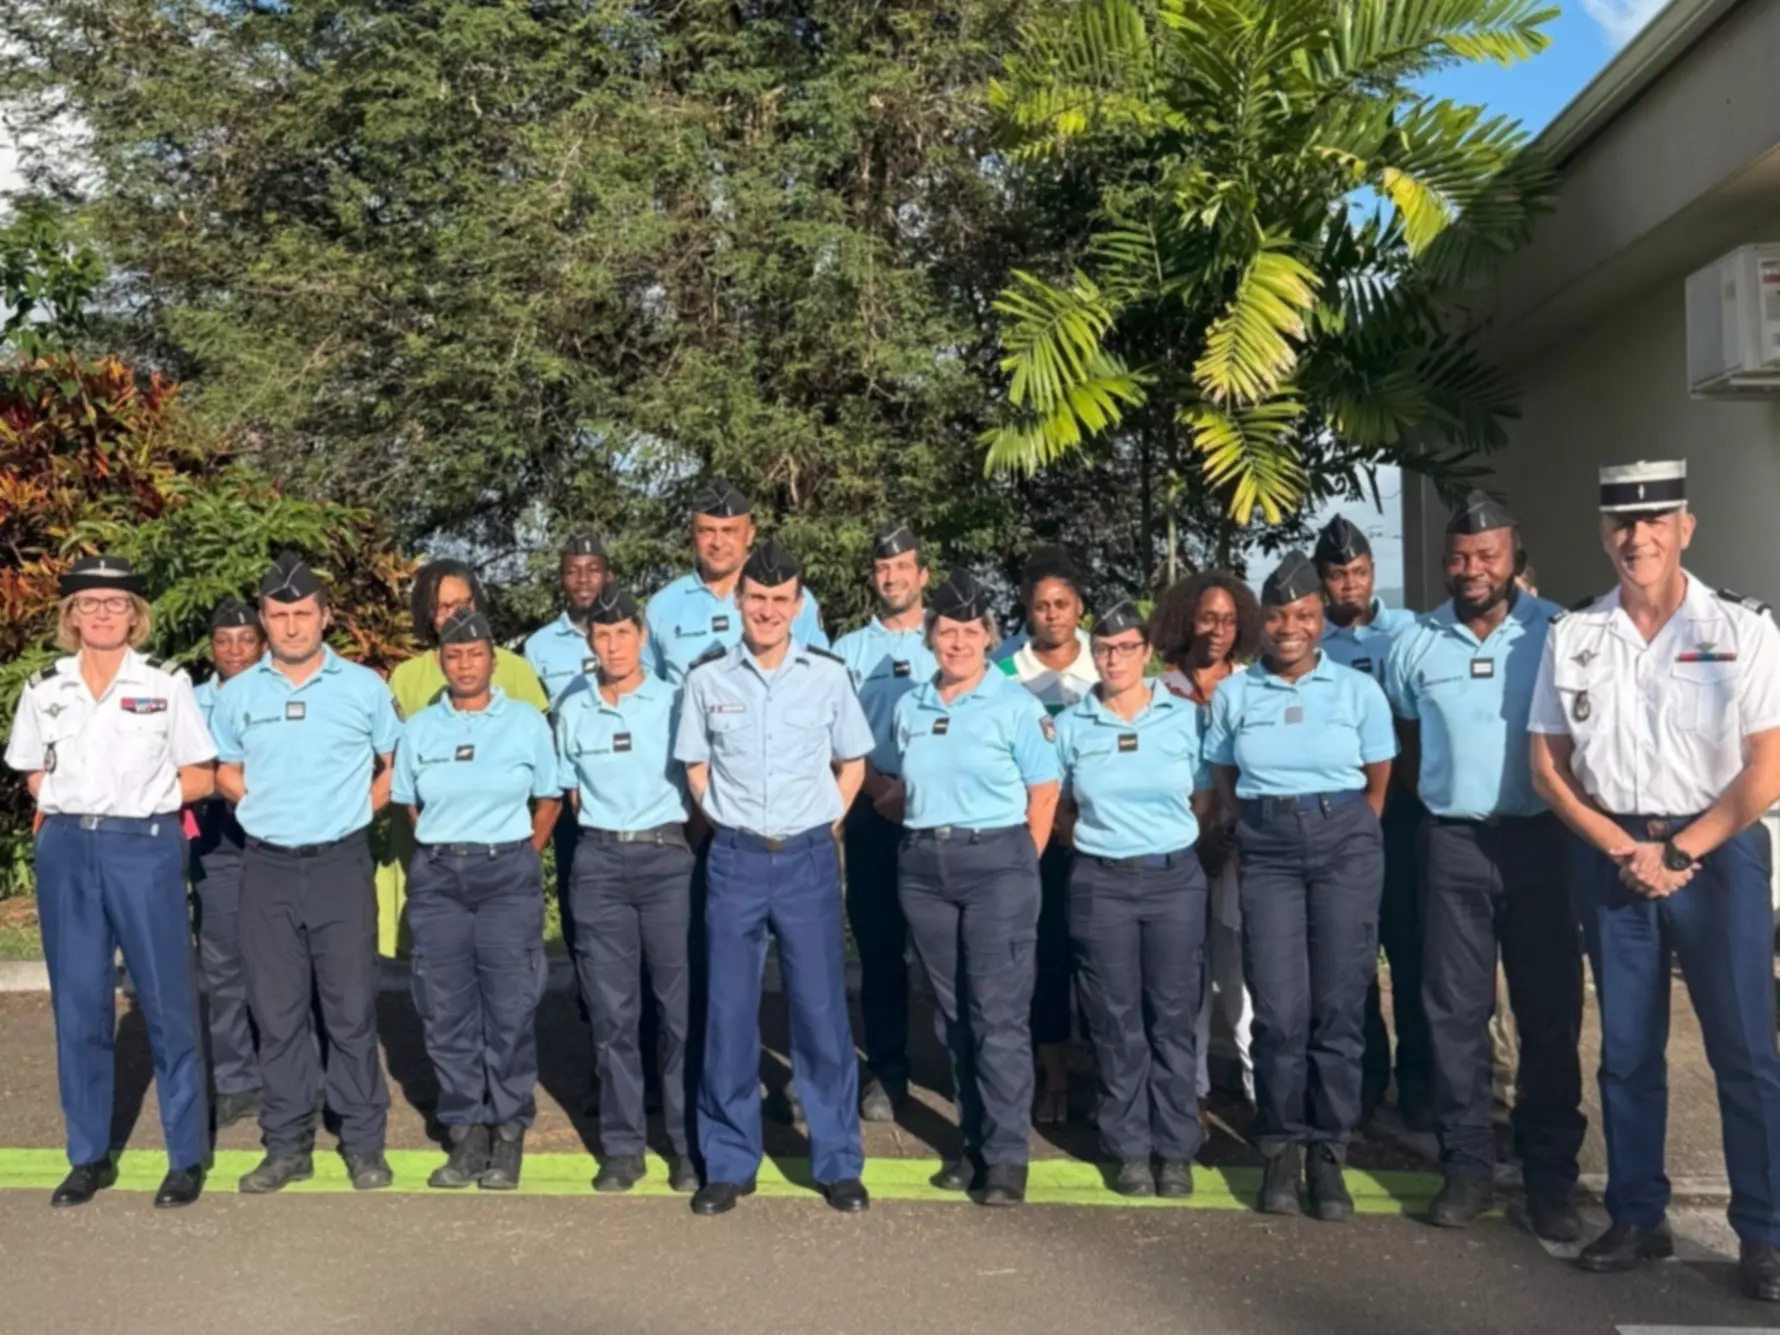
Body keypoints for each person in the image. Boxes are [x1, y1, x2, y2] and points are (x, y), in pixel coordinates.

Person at [1529, 460, 1780, 1301]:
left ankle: (1766, 1232)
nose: (1637, 539)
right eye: (1621, 526)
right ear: (1605, 535)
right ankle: (1639, 1213)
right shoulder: (1574, 635)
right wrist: (1617, 843)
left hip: (1718, 851)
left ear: (1685, 527)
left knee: (1744, 1050)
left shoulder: (1742, 628)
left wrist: (1679, 851)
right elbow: (1547, 767)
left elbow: (1768, 766)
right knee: (1628, 1052)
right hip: (1612, 856)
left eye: (1655, 521)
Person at [1382, 492, 1584, 1241]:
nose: (1473, 569)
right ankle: (1465, 1165)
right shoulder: (1415, 643)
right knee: (1453, 1013)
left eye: (1488, 555)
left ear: (1514, 558)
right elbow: (1405, 737)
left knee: (1548, 1011)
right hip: (1451, 843)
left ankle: (1549, 1176)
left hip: (1540, 842)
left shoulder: (1561, 632)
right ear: (1444, 563)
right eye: (1461, 557)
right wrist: (1443, 792)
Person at [5, 556, 216, 1209]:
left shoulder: (166, 683)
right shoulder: (45, 688)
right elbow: (31, 772)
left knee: (167, 1001)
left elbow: (201, 775)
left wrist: (145, 805)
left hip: (141, 845)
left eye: (113, 603)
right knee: (79, 1004)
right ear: (71, 616)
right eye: (88, 604)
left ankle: (184, 1156)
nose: (101, 614)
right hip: (69, 844)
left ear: (134, 614)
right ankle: (87, 1155)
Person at [673, 540, 873, 1216]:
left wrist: (827, 822)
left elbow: (853, 761)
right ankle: (728, 1161)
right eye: (756, 598)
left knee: (821, 1013)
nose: (766, 610)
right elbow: (695, 767)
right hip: (735, 858)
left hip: (808, 859)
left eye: (779, 600)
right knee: (728, 1013)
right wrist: (726, 818)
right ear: (739, 602)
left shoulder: (827, 676)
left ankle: (838, 1159)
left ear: (797, 604)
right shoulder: (707, 680)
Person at [1205, 550, 1396, 1221]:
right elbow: (1223, 771)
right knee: (1280, 1009)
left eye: (1306, 614)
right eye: (1280, 615)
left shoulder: (1356, 690)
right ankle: (1281, 1145)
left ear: (1321, 619)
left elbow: (1378, 779)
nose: (1291, 627)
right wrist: (1257, 819)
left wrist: (1343, 830)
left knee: (1338, 1006)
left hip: (1345, 839)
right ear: (1263, 621)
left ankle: (1330, 1150)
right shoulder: (1235, 694)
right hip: (1270, 848)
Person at [210, 552, 403, 1193]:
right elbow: (224, 769)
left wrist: (356, 809)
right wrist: (254, 803)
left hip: (340, 864)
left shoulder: (364, 688)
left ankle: (363, 1141)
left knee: (349, 1010)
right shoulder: (238, 696)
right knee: (278, 1011)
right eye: (278, 615)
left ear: (325, 615)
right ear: (263, 620)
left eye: (302, 613)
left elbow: (396, 764)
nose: (291, 626)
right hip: (265, 866)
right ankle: (287, 1142)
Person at [890, 571, 1061, 1207]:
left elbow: (1044, 794)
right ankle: (973, 1141)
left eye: (970, 631)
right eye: (946, 631)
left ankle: (1008, 1154)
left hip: (997, 864)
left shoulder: (1015, 705)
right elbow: (904, 781)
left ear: (989, 637)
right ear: (930, 637)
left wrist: (1019, 866)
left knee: (997, 1014)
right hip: (927, 867)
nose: (957, 642)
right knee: (954, 1015)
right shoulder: (912, 705)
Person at [392, 608, 560, 1191]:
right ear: (441, 660)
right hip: (439, 877)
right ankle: (466, 1133)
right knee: (445, 1009)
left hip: (505, 872)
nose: (465, 665)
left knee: (510, 1007)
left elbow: (549, 798)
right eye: (453, 655)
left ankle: (508, 1130)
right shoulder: (419, 729)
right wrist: (450, 844)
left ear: (493, 659)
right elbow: (412, 805)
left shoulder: (524, 723)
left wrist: (518, 852)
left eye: (475, 654)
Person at [1056, 599, 1213, 1198]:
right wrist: (1102, 847)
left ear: (1147, 653)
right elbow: (1059, 808)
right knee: (1114, 1019)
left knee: (1171, 1016)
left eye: (1125, 647)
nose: (1113, 658)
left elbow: (1204, 797)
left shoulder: (1182, 719)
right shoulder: (1073, 725)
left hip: (1173, 879)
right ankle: (1128, 1147)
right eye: (1103, 648)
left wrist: (1164, 841)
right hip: (1102, 882)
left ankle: (1174, 1148)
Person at [557, 585, 700, 1194]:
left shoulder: (675, 703)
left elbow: (699, 788)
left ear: (642, 637)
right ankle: (622, 1145)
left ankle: (688, 1142)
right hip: (599, 861)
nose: (613, 645)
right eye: (602, 635)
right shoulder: (574, 709)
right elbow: (572, 793)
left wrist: (672, 841)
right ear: (591, 642)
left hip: (667, 857)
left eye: (623, 633)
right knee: (614, 1012)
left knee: (679, 1009)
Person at [1314, 515, 1430, 1129]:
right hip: (1339, 814)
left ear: (1373, 574)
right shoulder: (1306, 647)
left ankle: (1419, 1083)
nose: (1350, 585)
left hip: (1404, 814)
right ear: (1322, 581)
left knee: (1412, 954)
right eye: (1338, 575)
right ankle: (1362, 1080)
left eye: (1359, 572)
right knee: (1350, 957)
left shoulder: (1410, 633)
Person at [381, 559, 548, 957]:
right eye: (444, 606)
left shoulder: (516, 670)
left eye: (465, 601)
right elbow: (398, 773)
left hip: (503, 855)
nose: (456, 612)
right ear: (427, 612)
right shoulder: (406, 678)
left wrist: (524, 852)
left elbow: (545, 774)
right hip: (431, 853)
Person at [831, 521, 936, 1122]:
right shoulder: (850, 650)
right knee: (879, 947)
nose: (892, 577)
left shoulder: (948, 638)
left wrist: (916, 789)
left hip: (937, 814)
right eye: (882, 568)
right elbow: (835, 734)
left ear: (922, 574)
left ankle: (964, 1068)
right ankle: (888, 1069)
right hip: (873, 810)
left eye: (903, 567)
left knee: (951, 949)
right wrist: (878, 786)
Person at [1153, 572, 1262, 1117]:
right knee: (1185, 980)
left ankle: (1258, 1089)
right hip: (1178, 852)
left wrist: (1226, 832)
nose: (1217, 629)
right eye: (1206, 617)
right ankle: (1189, 1089)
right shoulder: (1160, 691)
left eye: (1227, 619)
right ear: (1185, 620)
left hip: (1237, 851)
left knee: (1241, 977)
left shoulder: (1252, 685)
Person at [996, 545, 1097, 1124]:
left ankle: (1109, 1074)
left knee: (1102, 963)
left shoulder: (1105, 661)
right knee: (1045, 959)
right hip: (1035, 837)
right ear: (1028, 612)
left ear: (1079, 608)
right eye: (1041, 606)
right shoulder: (1005, 669)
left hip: (1095, 831)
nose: (1052, 614)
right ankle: (1053, 1078)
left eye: (1062, 604)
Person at [191, 596, 267, 1131]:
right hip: (216, 837)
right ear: (211, 646)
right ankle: (236, 1080)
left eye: (245, 640)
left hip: (272, 833)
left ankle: (294, 1074)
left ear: (261, 644)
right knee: (223, 965)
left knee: (285, 960)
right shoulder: (190, 702)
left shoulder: (275, 693)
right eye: (224, 641)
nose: (235, 651)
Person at [646, 480, 827, 687]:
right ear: (692, 535)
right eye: (707, 531)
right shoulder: (663, 606)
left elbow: (820, 678)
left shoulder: (788, 597)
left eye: (729, 531)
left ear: (750, 534)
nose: (718, 543)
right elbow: (648, 692)